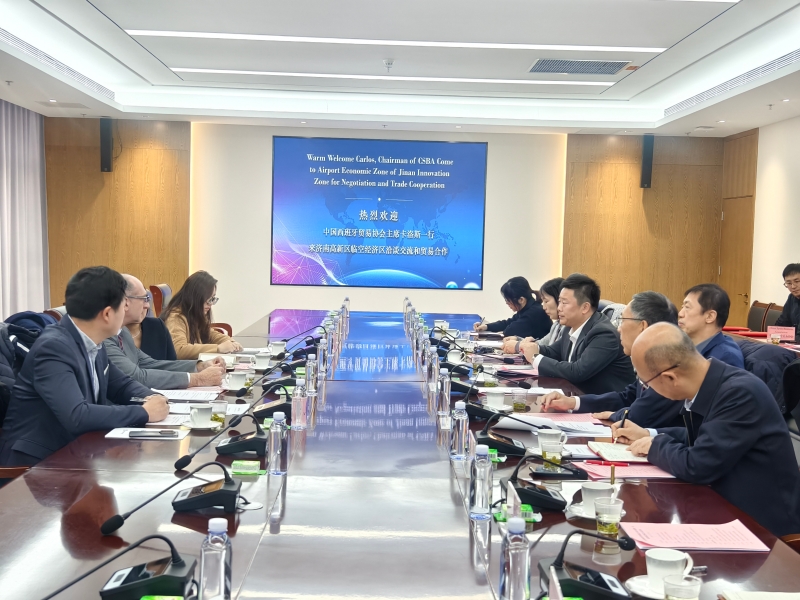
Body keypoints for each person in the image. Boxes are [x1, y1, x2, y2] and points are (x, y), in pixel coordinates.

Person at [612, 323, 800, 537]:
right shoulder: (714, 383)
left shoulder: (740, 393)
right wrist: (649, 434)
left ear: (671, 377)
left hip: (765, 528)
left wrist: (655, 445)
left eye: (646, 384)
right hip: (725, 510)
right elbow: (707, 438)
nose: (647, 389)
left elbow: (697, 466)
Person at [0, 267, 169, 467]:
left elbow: (121, 385)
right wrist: (145, 412)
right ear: (107, 314)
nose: (125, 312)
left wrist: (155, 399)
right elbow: (77, 415)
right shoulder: (53, 348)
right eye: (123, 306)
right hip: (34, 466)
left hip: (76, 454)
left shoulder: (94, 342)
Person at [541, 291, 685, 429]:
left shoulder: (668, 370)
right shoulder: (652, 363)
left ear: (642, 326)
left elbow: (638, 416)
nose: (619, 329)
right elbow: (626, 397)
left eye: (622, 321)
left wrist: (614, 415)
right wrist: (572, 402)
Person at [103, 275, 227, 389]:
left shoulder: (123, 331)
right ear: (125, 302)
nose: (147, 306)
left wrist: (199, 366)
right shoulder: (105, 337)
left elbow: (149, 363)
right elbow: (137, 377)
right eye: (143, 299)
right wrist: (197, 379)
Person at [519, 274, 635, 395]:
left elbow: (577, 372)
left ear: (585, 307)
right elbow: (553, 352)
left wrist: (535, 357)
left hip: (604, 403)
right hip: (576, 396)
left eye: (564, 303)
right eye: (559, 302)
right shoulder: (570, 327)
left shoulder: (604, 334)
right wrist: (532, 348)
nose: (559, 308)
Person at [161, 271, 243, 360]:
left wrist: (230, 342)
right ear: (195, 298)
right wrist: (218, 348)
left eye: (212, 298)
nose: (210, 304)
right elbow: (179, 350)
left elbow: (209, 333)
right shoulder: (175, 318)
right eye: (208, 299)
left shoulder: (194, 314)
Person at [678, 284, 744, 368]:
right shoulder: (685, 346)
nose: (680, 314)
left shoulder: (725, 358)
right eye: (682, 307)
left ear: (710, 316)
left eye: (687, 307)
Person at [501, 277, 565, 354]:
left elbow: (551, 352)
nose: (544, 307)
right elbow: (541, 344)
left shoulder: (535, 312)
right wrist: (518, 340)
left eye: (546, 301)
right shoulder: (557, 325)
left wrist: (518, 345)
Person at [473, 276, 552, 339]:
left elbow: (510, 331)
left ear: (521, 300)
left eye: (508, 300)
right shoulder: (527, 309)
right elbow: (508, 323)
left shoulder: (534, 313)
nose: (507, 303)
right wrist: (486, 326)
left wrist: (495, 333)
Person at [775, 263, 800, 337]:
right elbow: (782, 322)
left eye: (797, 281)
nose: (793, 286)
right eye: (789, 283)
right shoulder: (791, 298)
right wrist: (773, 334)